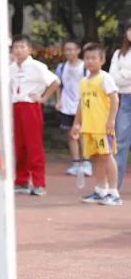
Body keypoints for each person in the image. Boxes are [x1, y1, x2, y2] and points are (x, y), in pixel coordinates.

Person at [0, 36, 59, 196]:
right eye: (16, 47)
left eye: (22, 47)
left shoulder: (37, 66)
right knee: (19, 146)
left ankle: (39, 183)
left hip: (30, 106)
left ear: (30, 49)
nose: (19, 50)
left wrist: (44, 98)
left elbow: (55, 82)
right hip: (15, 106)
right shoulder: (11, 68)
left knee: (34, 146)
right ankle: (21, 181)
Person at [72, 43, 121, 206]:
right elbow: (81, 104)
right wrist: (76, 123)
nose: (90, 61)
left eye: (94, 58)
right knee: (96, 158)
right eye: (87, 58)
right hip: (88, 127)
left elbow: (115, 99)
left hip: (102, 127)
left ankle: (113, 193)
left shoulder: (105, 78)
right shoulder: (83, 81)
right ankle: (101, 190)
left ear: (102, 60)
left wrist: (111, 120)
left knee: (107, 156)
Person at [54, 40, 88, 177]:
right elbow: (58, 84)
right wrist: (58, 100)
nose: (69, 52)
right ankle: (75, 163)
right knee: (71, 135)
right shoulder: (61, 67)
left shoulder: (85, 67)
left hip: (83, 105)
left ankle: (86, 163)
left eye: (71, 49)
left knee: (83, 134)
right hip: (67, 105)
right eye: (66, 49)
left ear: (78, 50)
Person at [107, 23, 131, 190]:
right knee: (120, 142)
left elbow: (119, 76)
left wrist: (122, 75)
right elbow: (112, 78)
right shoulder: (118, 53)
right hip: (124, 99)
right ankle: (114, 185)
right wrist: (127, 76)